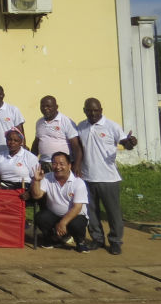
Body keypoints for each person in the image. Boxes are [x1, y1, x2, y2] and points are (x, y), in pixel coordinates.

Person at [77, 97, 137, 254]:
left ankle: (115, 241)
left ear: (101, 110)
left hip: (108, 178)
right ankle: (97, 239)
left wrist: (130, 143)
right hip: (87, 177)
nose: (93, 113)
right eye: (89, 110)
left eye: (96, 110)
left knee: (113, 213)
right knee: (91, 213)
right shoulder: (81, 127)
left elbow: (125, 143)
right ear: (84, 111)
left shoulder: (112, 126)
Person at [30, 152, 91, 251]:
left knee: (77, 224)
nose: (58, 167)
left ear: (69, 165)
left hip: (75, 216)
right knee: (40, 217)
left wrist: (63, 223)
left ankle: (80, 241)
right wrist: (36, 180)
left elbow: (77, 208)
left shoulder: (78, 182)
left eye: (62, 164)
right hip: (54, 215)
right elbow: (37, 195)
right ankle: (51, 238)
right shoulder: (47, 177)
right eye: (54, 164)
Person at [32, 95, 82, 174]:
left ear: (56, 107)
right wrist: (32, 160)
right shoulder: (39, 122)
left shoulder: (66, 121)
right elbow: (36, 143)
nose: (45, 108)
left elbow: (76, 146)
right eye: (42, 106)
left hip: (61, 165)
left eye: (48, 106)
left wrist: (77, 165)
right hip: (44, 163)